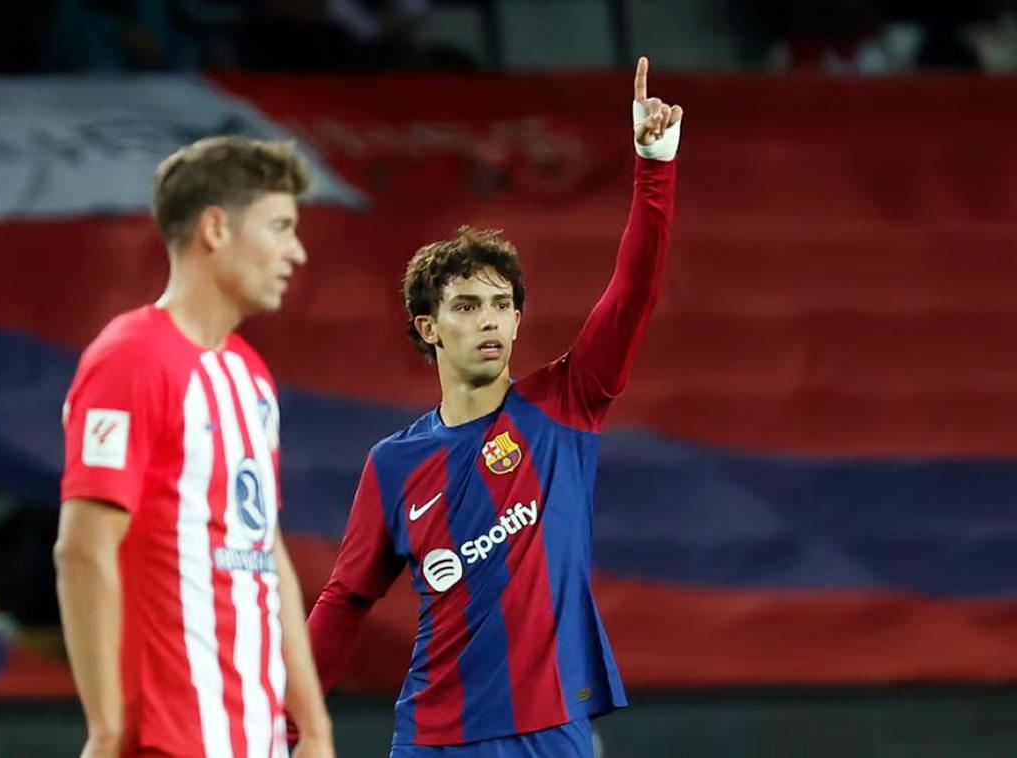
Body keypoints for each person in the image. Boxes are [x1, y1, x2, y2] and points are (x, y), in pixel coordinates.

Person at [301, 57, 682, 756]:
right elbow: (345, 599)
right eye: (468, 305)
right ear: (428, 327)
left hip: (550, 732)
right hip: (435, 738)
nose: (489, 320)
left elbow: (633, 293)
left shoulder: (565, 403)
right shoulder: (394, 464)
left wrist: (654, 167)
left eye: (502, 305)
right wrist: (285, 724)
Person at [55, 136, 335, 758]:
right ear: (215, 228)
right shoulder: (131, 358)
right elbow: (82, 549)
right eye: (281, 227)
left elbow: (264, 551)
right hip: (172, 737)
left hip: (256, 736)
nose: (296, 251)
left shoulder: (249, 374)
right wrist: (106, 728)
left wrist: (313, 727)